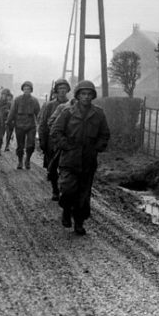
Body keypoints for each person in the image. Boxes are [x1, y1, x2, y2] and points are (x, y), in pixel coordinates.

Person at [50, 80, 109, 236]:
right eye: (83, 94)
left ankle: (79, 223)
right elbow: (56, 131)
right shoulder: (67, 112)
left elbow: (104, 134)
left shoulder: (98, 113)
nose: (86, 97)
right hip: (69, 159)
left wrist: (97, 147)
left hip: (88, 159)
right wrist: (66, 146)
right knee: (68, 189)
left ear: (93, 96)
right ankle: (66, 209)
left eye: (89, 94)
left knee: (83, 195)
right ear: (77, 95)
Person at [38, 78, 72, 201]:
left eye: (64, 89)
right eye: (59, 89)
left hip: (66, 142)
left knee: (66, 168)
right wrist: (42, 140)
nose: (62, 91)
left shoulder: (72, 105)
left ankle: (64, 189)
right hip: (51, 142)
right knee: (52, 167)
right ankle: (55, 190)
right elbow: (43, 124)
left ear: (68, 90)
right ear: (56, 91)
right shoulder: (49, 105)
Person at [7, 81, 40, 169]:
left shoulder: (35, 101)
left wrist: (40, 125)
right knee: (20, 145)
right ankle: (20, 161)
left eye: (28, 89)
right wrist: (8, 121)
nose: (26, 91)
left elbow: (38, 115)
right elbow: (12, 112)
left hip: (31, 126)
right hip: (19, 126)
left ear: (31, 90)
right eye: (25, 89)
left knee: (30, 145)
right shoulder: (17, 100)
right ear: (22, 90)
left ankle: (28, 160)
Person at [0, 88, 13, 155]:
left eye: (6, 95)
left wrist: (8, 112)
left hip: (8, 121)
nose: (4, 96)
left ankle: (1, 148)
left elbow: (12, 112)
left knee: (8, 134)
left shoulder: (10, 103)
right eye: (3, 94)